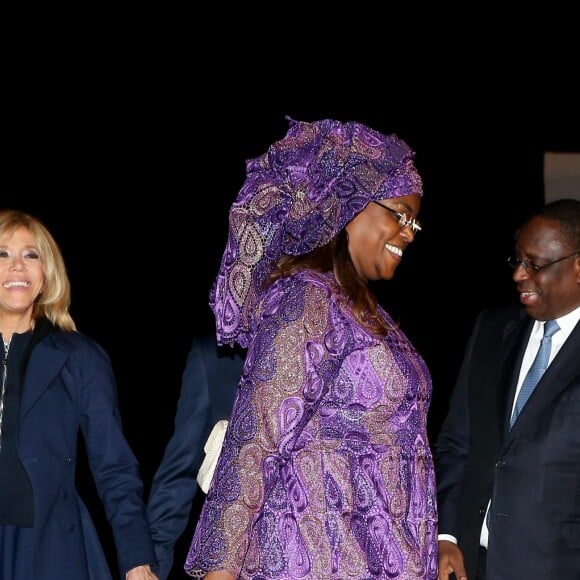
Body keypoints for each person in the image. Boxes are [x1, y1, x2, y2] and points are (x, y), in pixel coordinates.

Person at [184, 117, 438, 579]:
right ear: (350, 207)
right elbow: (255, 438)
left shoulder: (363, 310)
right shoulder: (306, 297)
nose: (410, 232)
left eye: (415, 222)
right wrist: (218, 569)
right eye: (400, 214)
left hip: (375, 557)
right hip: (314, 557)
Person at [0, 208, 158, 579]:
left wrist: (137, 560)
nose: (17, 266)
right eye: (2, 253)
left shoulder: (80, 358)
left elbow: (114, 466)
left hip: (50, 550)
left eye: (30, 254)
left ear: (45, 274)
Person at [434, 198, 580, 579]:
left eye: (534, 264)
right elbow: (456, 443)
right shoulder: (491, 330)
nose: (518, 275)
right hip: (470, 564)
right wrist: (446, 535)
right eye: (517, 261)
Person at [147, 334, 246, 579]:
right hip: (232, 556)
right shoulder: (215, 357)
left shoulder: (337, 347)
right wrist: (150, 566)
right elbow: (179, 472)